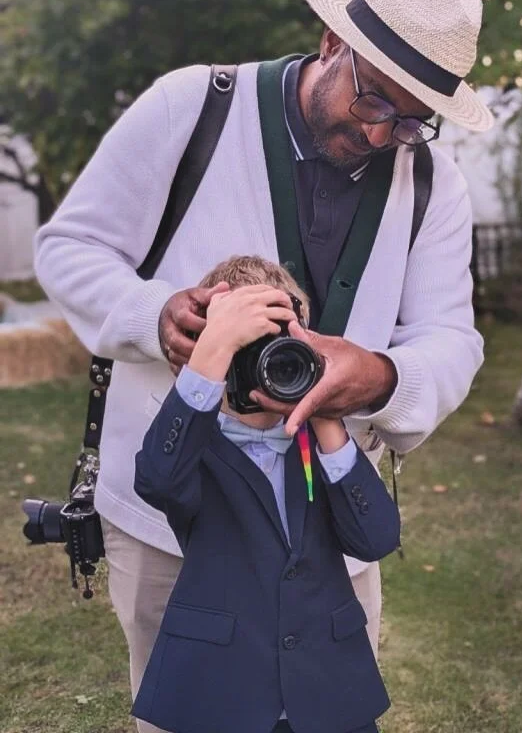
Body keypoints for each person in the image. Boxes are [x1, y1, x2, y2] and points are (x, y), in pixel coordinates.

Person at [34, 0, 492, 731]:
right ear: (330, 43)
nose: (382, 133)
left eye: (412, 120)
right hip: (171, 526)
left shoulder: (436, 184)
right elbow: (69, 247)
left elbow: (452, 336)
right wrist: (160, 315)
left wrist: (379, 376)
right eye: (373, 98)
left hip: (330, 535)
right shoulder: (192, 106)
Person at [131, 254, 401, 733]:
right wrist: (209, 356)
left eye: (279, 351)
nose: (264, 368)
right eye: (245, 352)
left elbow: (376, 538)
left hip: (328, 691)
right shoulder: (194, 448)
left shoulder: (321, 445)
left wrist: (325, 414)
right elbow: (157, 479)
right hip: (223, 695)